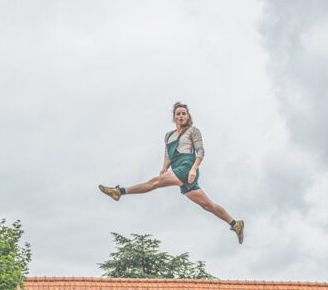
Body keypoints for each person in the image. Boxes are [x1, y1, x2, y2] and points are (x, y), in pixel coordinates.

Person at [98, 101, 245, 244]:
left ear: (188, 116)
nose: (181, 116)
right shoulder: (168, 136)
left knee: (153, 183)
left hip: (187, 166)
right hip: (176, 168)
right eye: (178, 114)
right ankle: (235, 223)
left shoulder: (193, 131)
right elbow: (168, 155)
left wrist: (193, 169)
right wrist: (164, 168)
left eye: (184, 114)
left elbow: (200, 151)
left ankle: (119, 192)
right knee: (208, 206)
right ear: (174, 116)